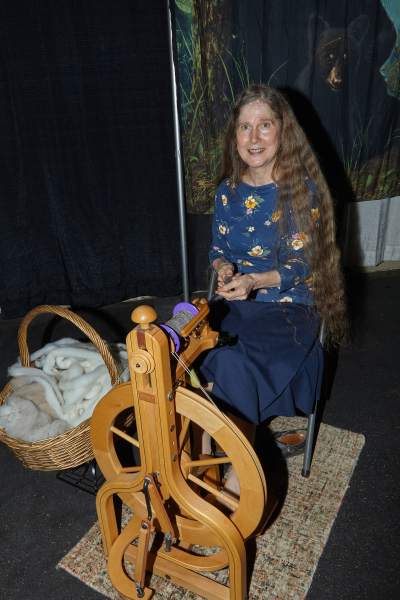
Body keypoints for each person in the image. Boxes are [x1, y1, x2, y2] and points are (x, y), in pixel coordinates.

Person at [193, 84, 347, 505]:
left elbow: (304, 265)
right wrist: (224, 268)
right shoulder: (228, 191)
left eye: (265, 125)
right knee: (185, 351)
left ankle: (237, 491)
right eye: (245, 127)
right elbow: (218, 249)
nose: (255, 137)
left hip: (289, 308)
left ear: (284, 133)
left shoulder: (303, 191)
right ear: (234, 137)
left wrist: (255, 281)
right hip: (238, 303)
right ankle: (204, 468)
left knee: (230, 363)